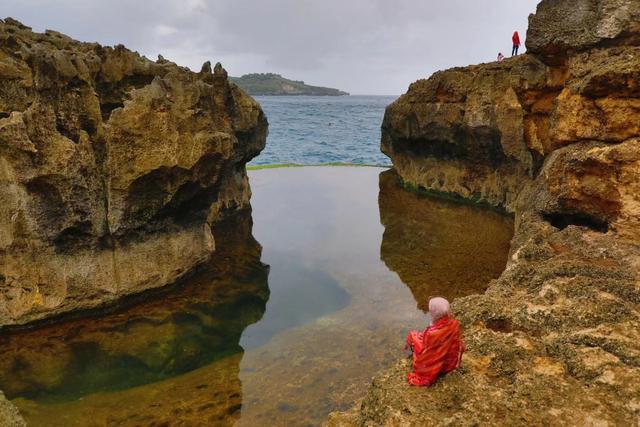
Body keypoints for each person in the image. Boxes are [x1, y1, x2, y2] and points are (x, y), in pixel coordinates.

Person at [405, 297, 465, 386]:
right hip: (450, 363)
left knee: (412, 335)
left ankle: (408, 348)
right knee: (418, 336)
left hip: (438, 367)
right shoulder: (454, 323)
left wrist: (415, 338)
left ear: (433, 313)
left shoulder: (432, 333)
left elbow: (426, 349)